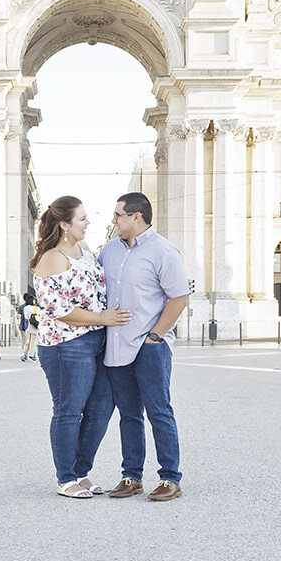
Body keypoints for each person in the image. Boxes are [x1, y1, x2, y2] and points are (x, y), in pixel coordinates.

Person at [30, 195, 132, 499]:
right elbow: (56, 308)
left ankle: (81, 470)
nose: (89, 223)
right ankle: (66, 477)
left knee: (101, 407)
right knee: (68, 410)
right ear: (64, 224)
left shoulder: (84, 250)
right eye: (82, 218)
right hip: (64, 345)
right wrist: (101, 317)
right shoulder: (51, 258)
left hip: (95, 339)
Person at [99, 192, 189, 503]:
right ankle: (132, 476)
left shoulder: (164, 251)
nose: (114, 220)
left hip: (150, 346)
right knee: (128, 414)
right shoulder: (108, 251)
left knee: (159, 411)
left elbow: (179, 296)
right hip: (116, 347)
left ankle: (169, 478)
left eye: (118, 215)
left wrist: (156, 336)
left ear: (137, 216)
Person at [19, 293, 38, 362]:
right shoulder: (36, 308)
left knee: (27, 341)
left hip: (28, 325)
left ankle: (24, 354)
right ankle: (32, 355)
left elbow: (25, 317)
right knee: (33, 341)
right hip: (35, 326)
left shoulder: (25, 308)